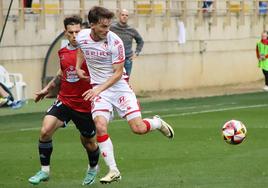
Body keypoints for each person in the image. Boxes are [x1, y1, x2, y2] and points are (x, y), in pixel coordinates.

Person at [75, 6, 174, 184]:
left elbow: (118, 73)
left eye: (109, 26)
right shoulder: (82, 36)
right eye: (103, 27)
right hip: (99, 89)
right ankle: (113, 170)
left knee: (138, 129)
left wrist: (98, 89)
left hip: (119, 87)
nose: (107, 30)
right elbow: (81, 49)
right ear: (92, 25)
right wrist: (77, 67)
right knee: (100, 126)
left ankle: (157, 122)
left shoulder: (115, 42)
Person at [28, 16, 100, 186]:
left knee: (88, 142)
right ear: (65, 33)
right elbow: (62, 74)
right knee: (45, 131)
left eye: (77, 32)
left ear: (83, 31)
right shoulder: (62, 52)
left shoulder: (91, 50)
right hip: (65, 101)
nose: (74, 35)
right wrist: (47, 89)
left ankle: (93, 167)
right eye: (71, 32)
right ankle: (44, 171)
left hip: (85, 105)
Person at [110, 9, 144, 77]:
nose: (124, 17)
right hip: (114, 59)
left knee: (126, 79)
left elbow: (140, 41)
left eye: (126, 15)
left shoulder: (131, 30)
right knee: (113, 79)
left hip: (127, 59)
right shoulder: (112, 28)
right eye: (123, 15)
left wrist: (136, 53)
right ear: (119, 16)